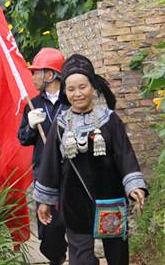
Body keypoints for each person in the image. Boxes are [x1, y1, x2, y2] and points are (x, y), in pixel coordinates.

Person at [33, 54, 148, 265]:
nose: (77, 94)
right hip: (74, 204)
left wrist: (134, 187)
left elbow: (125, 156)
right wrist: (45, 202)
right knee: (81, 258)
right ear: (64, 92)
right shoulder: (60, 125)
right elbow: (50, 166)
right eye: (71, 89)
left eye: (82, 87)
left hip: (110, 200)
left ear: (93, 86)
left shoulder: (109, 119)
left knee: (117, 256)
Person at [17, 48, 69, 265]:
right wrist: (30, 126)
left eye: (36, 72)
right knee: (49, 227)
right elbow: (22, 138)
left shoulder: (71, 100)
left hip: (71, 173)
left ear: (49, 75)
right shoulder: (33, 104)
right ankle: (56, 258)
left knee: (75, 223)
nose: (32, 77)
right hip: (43, 175)